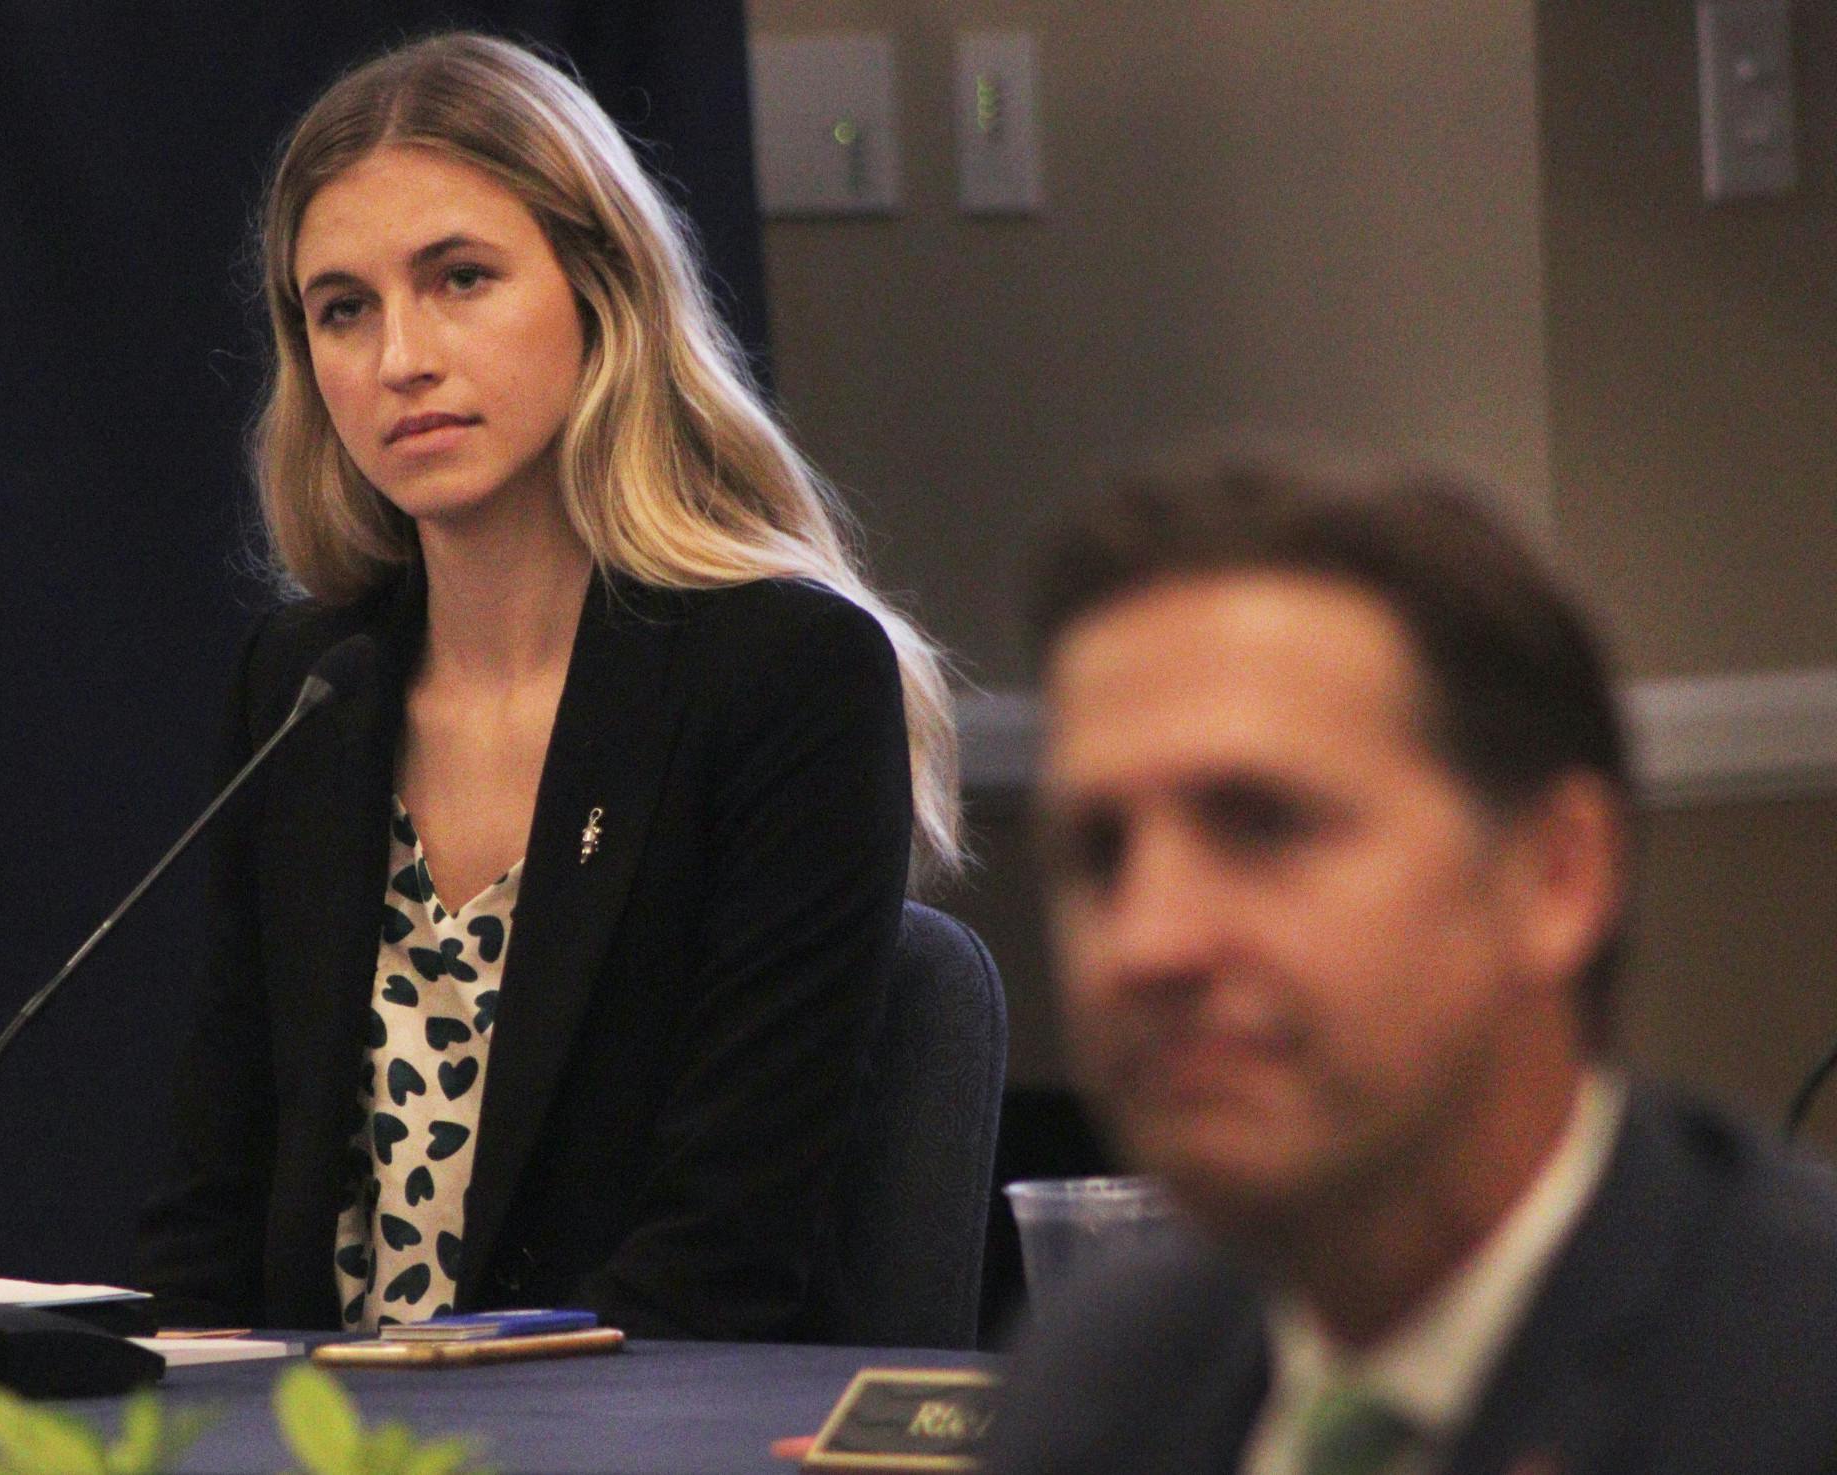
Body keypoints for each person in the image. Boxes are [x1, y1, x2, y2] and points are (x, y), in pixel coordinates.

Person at [134, 33, 961, 1338]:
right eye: (343, 307)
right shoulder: (310, 687)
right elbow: (211, 1205)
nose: (400, 355)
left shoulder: (786, 675)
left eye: (459, 278)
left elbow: (723, 1256)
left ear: (603, 290)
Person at [989, 459, 1837, 1474]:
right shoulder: (1101, 1377)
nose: (1146, 941)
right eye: (1096, 853)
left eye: (1262, 824)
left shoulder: (1793, 1380)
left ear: (1555, 873)